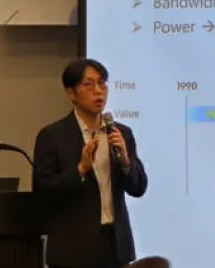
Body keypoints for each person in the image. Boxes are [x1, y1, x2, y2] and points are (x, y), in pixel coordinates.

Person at [33, 58, 148, 268]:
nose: (98, 91)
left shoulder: (121, 133)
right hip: (73, 252)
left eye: (102, 84)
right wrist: (80, 169)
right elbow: (43, 193)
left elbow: (138, 187)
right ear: (71, 93)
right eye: (89, 85)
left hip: (116, 250)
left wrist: (125, 161)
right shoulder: (53, 136)